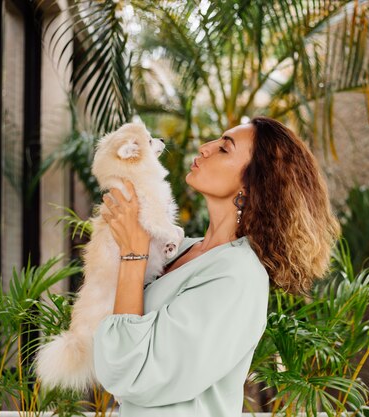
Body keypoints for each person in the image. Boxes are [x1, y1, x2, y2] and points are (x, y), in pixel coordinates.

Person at [94, 116, 341, 416]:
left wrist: (133, 255)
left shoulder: (238, 276)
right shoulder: (180, 250)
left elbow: (130, 374)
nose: (206, 148)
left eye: (225, 148)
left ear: (252, 184)